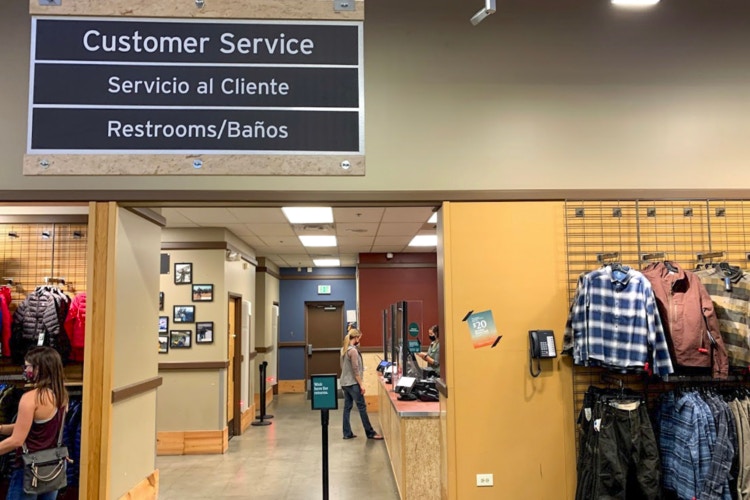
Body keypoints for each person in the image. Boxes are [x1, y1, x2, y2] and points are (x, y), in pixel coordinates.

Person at [0, 347, 69, 500]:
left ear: (40, 368)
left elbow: (17, 440)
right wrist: (2, 428)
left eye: (28, 366)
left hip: (29, 470)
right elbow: (35, 427)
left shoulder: (30, 398)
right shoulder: (62, 396)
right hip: (53, 466)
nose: (25, 370)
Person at [340, 328, 383, 440]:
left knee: (347, 408)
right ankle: (370, 433)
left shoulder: (344, 349)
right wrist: (361, 385)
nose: (360, 340)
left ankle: (347, 432)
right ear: (356, 338)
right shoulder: (353, 351)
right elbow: (356, 370)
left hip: (345, 382)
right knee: (362, 407)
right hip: (353, 383)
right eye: (359, 338)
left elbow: (343, 367)